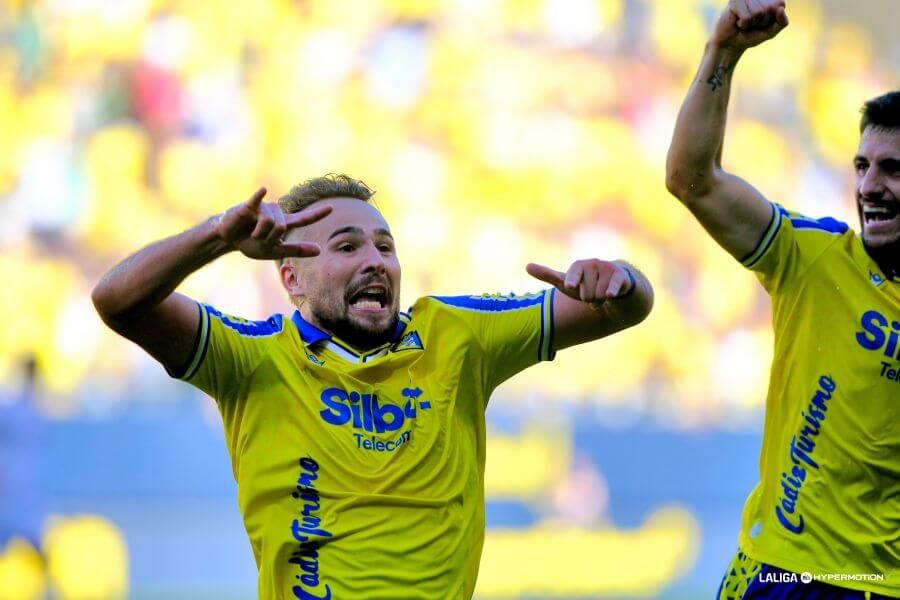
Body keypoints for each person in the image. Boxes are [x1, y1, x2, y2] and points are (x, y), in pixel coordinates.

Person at [91, 174, 654, 598]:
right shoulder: (251, 358)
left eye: (385, 247)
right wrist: (216, 238)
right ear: (291, 279)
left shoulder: (457, 336)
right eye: (346, 247)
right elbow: (117, 301)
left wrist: (620, 280)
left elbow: (625, 308)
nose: (375, 261)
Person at [666, 1, 899, 598]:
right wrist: (723, 51)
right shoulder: (816, 260)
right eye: (862, 166)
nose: (870, 186)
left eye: (893, 170)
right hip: (785, 574)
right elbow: (693, 179)